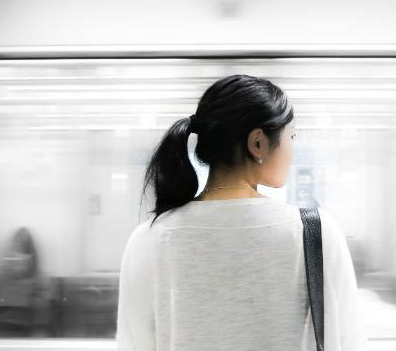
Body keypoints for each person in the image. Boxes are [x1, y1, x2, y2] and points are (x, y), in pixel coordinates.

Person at [116, 74, 369, 350]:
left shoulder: (148, 239)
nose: (292, 148)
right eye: (291, 136)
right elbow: (350, 342)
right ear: (257, 143)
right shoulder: (316, 233)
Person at [0, 227, 51, 338]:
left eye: (23, 252)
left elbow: (41, 324)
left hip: (23, 337)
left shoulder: (40, 282)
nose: (17, 257)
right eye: (14, 252)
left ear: (31, 257)